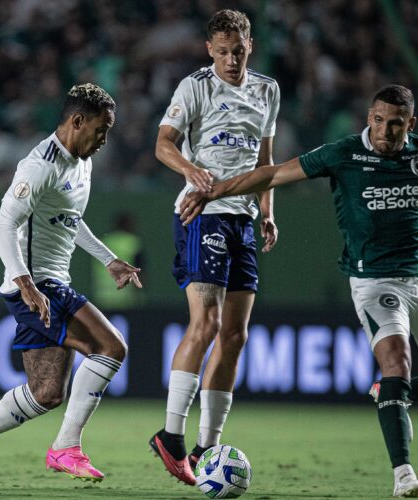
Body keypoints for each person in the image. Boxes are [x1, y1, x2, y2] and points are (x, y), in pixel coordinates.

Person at [179, 84, 418, 498]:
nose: (385, 131)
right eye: (378, 121)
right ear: (369, 118)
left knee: (398, 377)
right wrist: (214, 191)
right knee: (396, 361)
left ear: (410, 124)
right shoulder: (344, 154)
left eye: (395, 124)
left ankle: (392, 392)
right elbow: (273, 173)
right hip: (377, 280)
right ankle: (404, 475)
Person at [0, 83, 142, 492]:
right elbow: (2, 226)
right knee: (111, 348)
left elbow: (68, 218)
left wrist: (108, 259)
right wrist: (25, 282)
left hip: (48, 284)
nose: (104, 139)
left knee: (46, 393)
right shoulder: (39, 165)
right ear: (77, 121)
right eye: (100, 130)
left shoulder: (81, 163)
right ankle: (66, 447)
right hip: (38, 284)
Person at [149, 9, 279, 485]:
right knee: (206, 323)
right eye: (222, 52)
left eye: (238, 51)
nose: (230, 60)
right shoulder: (194, 87)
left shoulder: (267, 90)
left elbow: (265, 161)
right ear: (209, 50)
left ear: (250, 46)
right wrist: (190, 169)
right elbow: (163, 143)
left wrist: (267, 211)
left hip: (243, 218)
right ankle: (170, 435)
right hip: (202, 214)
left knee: (235, 336)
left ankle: (207, 446)